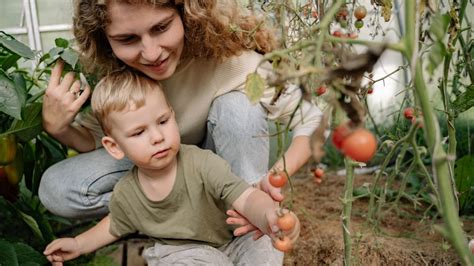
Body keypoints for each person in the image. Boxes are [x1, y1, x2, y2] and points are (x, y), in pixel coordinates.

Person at [39, 0, 320, 242]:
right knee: (56, 188)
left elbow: (312, 119)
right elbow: (98, 140)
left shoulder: (231, 61)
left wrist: (276, 177)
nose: (151, 53)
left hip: (222, 175)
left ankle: (244, 214)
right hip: (157, 172)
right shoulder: (118, 73)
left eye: (161, 28)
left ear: (187, 13)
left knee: (238, 108)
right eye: (127, 39)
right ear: (105, 38)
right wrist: (58, 128)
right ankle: (178, 218)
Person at [43, 70, 300, 265]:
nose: (157, 137)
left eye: (163, 121)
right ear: (114, 147)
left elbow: (245, 196)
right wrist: (78, 244)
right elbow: (113, 226)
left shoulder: (201, 163)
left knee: (264, 245)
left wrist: (268, 215)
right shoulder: (128, 191)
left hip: (230, 243)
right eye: (139, 132)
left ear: (173, 116)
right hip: (181, 252)